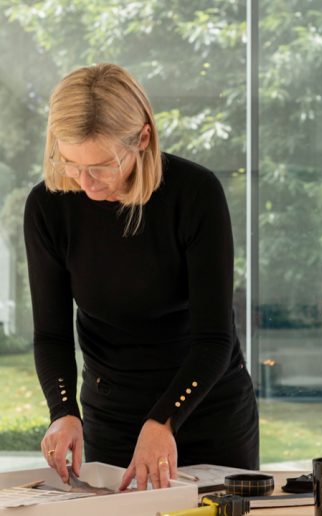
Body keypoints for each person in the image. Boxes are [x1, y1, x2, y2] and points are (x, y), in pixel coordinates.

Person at [24, 63, 259, 491]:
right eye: (72, 163)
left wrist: (164, 417)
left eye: (102, 165)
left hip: (207, 409)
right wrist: (63, 411)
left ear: (143, 138)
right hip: (112, 416)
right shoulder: (49, 206)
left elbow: (214, 339)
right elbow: (51, 335)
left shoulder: (195, 193)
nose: (87, 183)